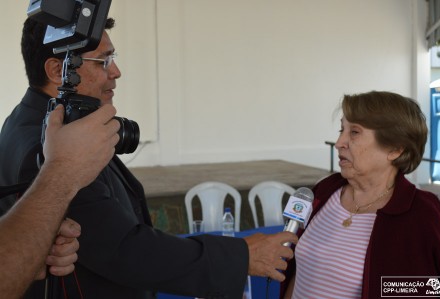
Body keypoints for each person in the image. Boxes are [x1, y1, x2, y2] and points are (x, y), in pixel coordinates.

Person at [0, 17, 298, 299]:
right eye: (103, 60)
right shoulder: (43, 150)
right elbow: (124, 250)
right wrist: (242, 256)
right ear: (56, 71)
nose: (115, 72)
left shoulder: (28, 121)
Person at [280, 91, 440, 299]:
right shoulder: (325, 190)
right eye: (342, 129)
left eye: (354, 133)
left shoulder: (420, 212)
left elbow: (434, 288)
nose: (340, 142)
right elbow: (298, 273)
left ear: (395, 149)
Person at [0, 103, 120, 298]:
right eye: (102, 69)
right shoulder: (35, 137)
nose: (115, 73)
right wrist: (61, 172)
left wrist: (32, 244)